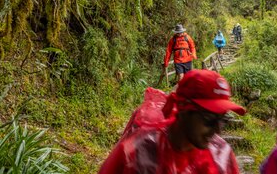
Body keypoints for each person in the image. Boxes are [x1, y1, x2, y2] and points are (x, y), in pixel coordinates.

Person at [99, 69, 246, 174]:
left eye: (223, 119)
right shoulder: (138, 153)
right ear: (182, 108)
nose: (218, 130)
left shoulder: (221, 156)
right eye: (209, 119)